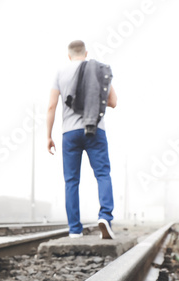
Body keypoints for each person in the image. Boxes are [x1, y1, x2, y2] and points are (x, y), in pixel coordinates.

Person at [46, 40, 117, 239]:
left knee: (71, 181)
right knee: (102, 174)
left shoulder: (61, 72)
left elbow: (52, 106)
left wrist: (48, 136)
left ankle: (75, 230)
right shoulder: (98, 70)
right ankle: (105, 217)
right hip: (95, 130)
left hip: (69, 133)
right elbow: (113, 102)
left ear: (69, 56)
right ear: (85, 53)